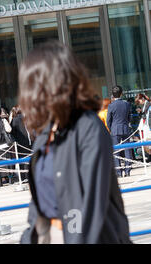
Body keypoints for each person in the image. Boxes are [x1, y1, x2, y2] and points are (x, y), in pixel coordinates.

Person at [19, 40, 130, 244]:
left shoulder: (88, 128)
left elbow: (91, 208)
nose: (26, 93)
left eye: (31, 84)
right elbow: (38, 204)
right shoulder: (45, 134)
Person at [107, 86, 134, 177]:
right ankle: (127, 170)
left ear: (113, 96)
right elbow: (129, 117)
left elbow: (108, 120)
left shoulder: (111, 105)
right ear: (121, 93)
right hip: (125, 128)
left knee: (116, 151)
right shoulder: (126, 104)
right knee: (127, 150)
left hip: (115, 130)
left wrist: (111, 129)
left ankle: (118, 172)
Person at [10, 106, 32, 182]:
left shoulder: (15, 120)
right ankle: (29, 176)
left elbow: (12, 132)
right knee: (28, 158)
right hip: (29, 141)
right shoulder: (27, 118)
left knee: (21, 159)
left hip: (20, 142)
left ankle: (23, 177)